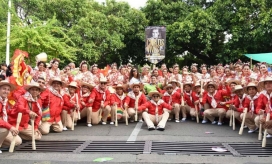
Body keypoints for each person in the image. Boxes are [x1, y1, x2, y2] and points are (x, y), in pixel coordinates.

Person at [0, 81, 21, 153]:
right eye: (4, 89)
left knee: (17, 141)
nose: (6, 91)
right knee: (4, 130)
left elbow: (7, 113)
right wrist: (10, 127)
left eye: (8, 89)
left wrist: (22, 110)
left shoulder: (4, 101)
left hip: (2, 125)